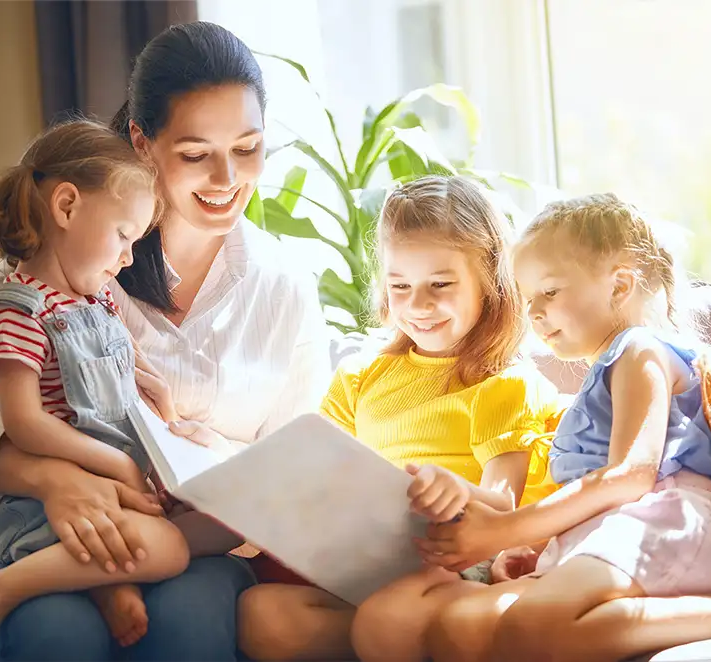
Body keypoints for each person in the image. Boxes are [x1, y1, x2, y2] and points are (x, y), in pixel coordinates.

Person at [0, 21, 327, 662]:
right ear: (141, 141)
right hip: (36, 526)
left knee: (189, 625)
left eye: (248, 148)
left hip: (188, 539)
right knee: (55, 632)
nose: (227, 178)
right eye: (195, 153)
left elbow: (292, 464)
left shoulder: (285, 288)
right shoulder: (58, 259)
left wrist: (202, 451)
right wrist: (53, 479)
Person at [403, 193, 711, 662]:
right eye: (527, 300)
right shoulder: (597, 379)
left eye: (551, 291)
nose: (535, 312)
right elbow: (593, 490)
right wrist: (537, 546)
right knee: (459, 627)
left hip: (667, 518)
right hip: (609, 529)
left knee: (530, 626)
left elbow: (631, 475)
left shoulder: (639, 350)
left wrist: (504, 529)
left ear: (620, 286)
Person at [237, 175, 564, 661]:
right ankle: (408, 640)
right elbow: (316, 473)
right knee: (261, 615)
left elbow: (504, 508)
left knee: (387, 618)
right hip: (376, 568)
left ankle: (414, 633)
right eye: (400, 286)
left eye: (440, 284)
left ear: (491, 281)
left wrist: (454, 489)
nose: (418, 305)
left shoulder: (501, 383)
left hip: (462, 567)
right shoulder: (361, 376)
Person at [0, 119, 193, 662]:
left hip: (100, 484)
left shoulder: (95, 302)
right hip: (40, 505)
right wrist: (117, 465)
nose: (127, 258)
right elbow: (24, 421)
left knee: (193, 535)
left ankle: (103, 584)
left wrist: (162, 415)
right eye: (124, 235)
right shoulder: (16, 308)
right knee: (169, 549)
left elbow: (122, 379)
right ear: (66, 207)